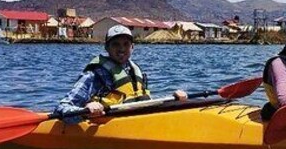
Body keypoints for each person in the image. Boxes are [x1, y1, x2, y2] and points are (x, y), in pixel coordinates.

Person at [54, 25, 187, 123]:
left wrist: (174, 99)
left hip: (137, 121)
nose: (122, 49)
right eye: (116, 44)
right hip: (105, 125)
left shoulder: (136, 72)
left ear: (132, 47)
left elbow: (143, 102)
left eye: (126, 44)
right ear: (107, 48)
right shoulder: (94, 75)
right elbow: (62, 108)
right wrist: (87, 109)